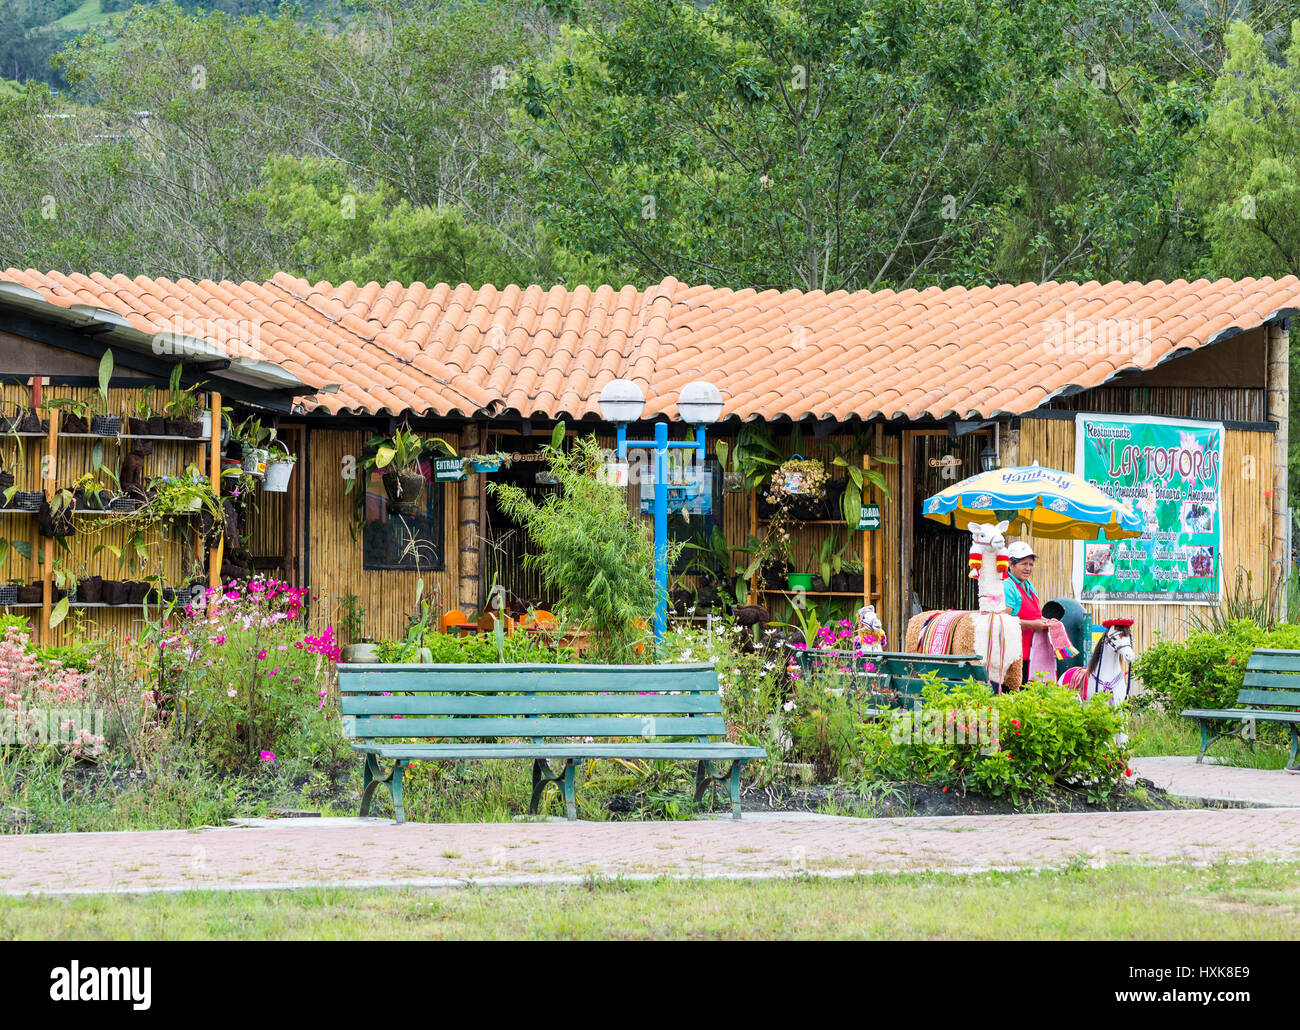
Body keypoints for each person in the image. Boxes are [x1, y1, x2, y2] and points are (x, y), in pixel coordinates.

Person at [1001, 540, 1049, 684]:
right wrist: (1033, 625)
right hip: (1014, 655)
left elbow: (1033, 614)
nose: (1028, 568)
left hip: (1031, 652)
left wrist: (1044, 620)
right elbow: (1003, 620)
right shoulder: (1007, 586)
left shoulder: (1028, 585)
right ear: (1011, 565)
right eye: (1024, 564)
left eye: (1031, 564)